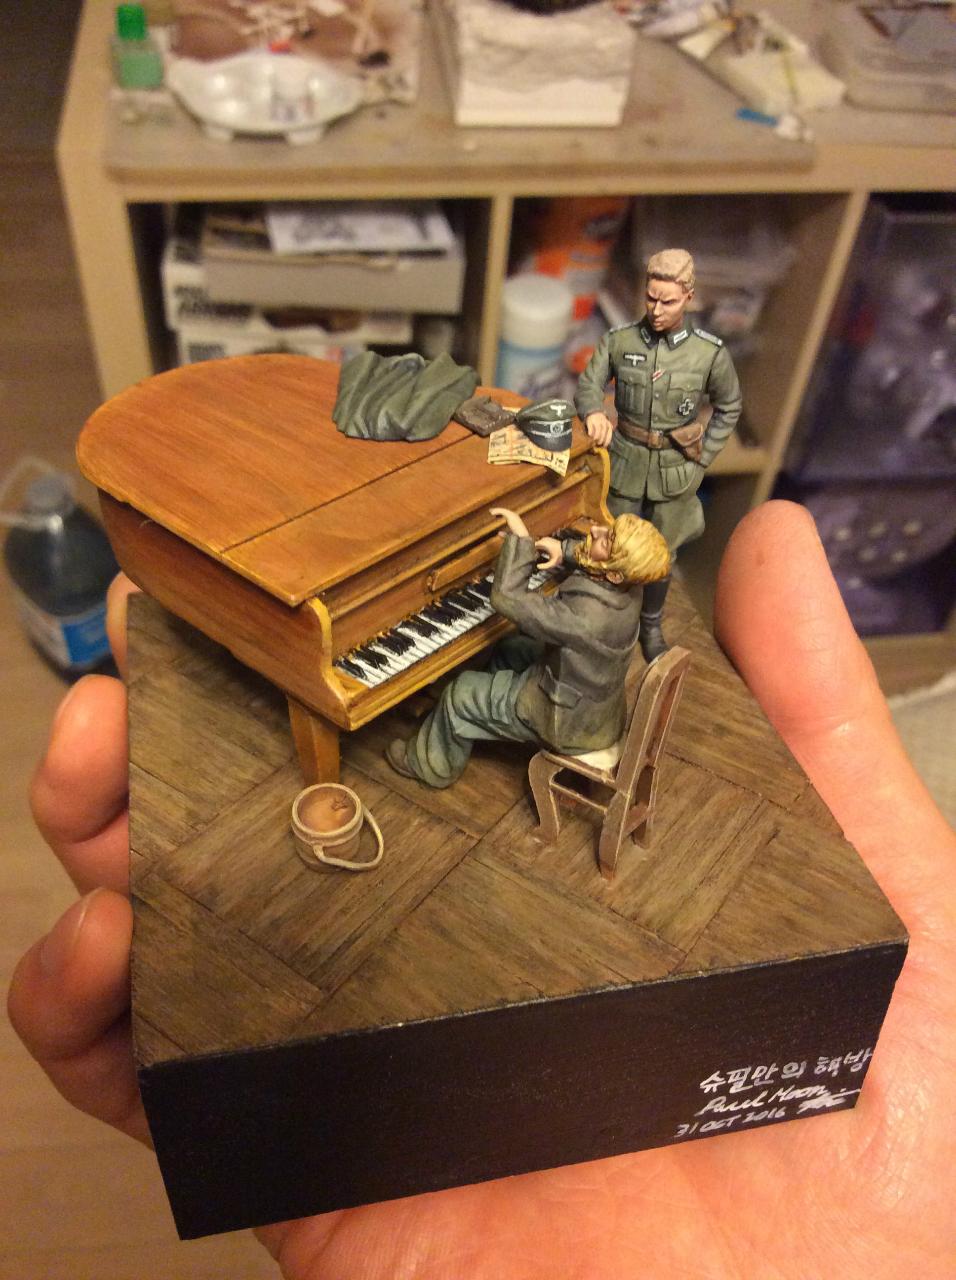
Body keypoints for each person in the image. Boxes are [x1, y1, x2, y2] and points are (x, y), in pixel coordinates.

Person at [9, 501, 956, 1280]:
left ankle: (422, 766)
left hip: (566, 719)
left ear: (610, 565)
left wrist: (513, 549)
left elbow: (508, 601)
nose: (585, 543)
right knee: (490, 658)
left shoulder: (585, 610)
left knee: (465, 696)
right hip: (596, 696)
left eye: (594, 543)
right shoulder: (626, 596)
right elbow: (549, 601)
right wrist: (552, 556)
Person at [385, 507, 670, 788]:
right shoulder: (633, 587)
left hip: (564, 720)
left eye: (607, 540)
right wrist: (565, 550)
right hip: (595, 707)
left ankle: (430, 766)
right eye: (608, 531)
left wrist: (522, 539)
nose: (596, 530)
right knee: (511, 648)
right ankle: (477, 720)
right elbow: (600, 565)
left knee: (459, 693)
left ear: (615, 574)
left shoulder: (587, 618)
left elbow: (507, 597)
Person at [575, 248, 743, 662]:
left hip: (675, 469)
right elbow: (589, 384)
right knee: (611, 544)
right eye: (651, 298)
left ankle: (650, 624)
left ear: (688, 297)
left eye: (667, 301)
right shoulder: (620, 341)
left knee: (662, 554)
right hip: (626, 462)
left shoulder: (708, 354)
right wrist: (594, 412)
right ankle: (607, 618)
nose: (656, 309)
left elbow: (729, 406)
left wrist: (702, 459)